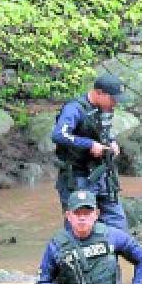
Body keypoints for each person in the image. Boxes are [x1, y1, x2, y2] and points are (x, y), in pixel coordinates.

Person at [51, 74, 130, 231]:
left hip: (103, 176)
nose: (115, 104)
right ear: (99, 93)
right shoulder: (74, 109)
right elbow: (59, 134)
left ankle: (113, 254)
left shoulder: (103, 109)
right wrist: (89, 145)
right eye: (113, 99)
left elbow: (101, 132)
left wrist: (111, 143)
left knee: (118, 227)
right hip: (78, 177)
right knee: (80, 230)